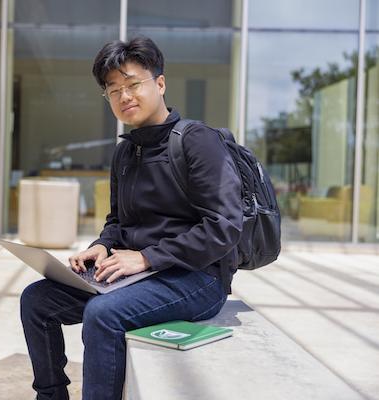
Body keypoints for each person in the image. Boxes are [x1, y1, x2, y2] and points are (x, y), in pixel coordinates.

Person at [20, 36, 243, 400]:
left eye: (133, 84)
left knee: (103, 313)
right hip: (139, 275)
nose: (124, 96)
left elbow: (224, 227)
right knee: (37, 300)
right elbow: (117, 221)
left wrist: (145, 257)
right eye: (113, 90)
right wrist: (102, 246)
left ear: (160, 83)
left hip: (199, 277)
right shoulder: (125, 152)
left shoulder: (198, 141)